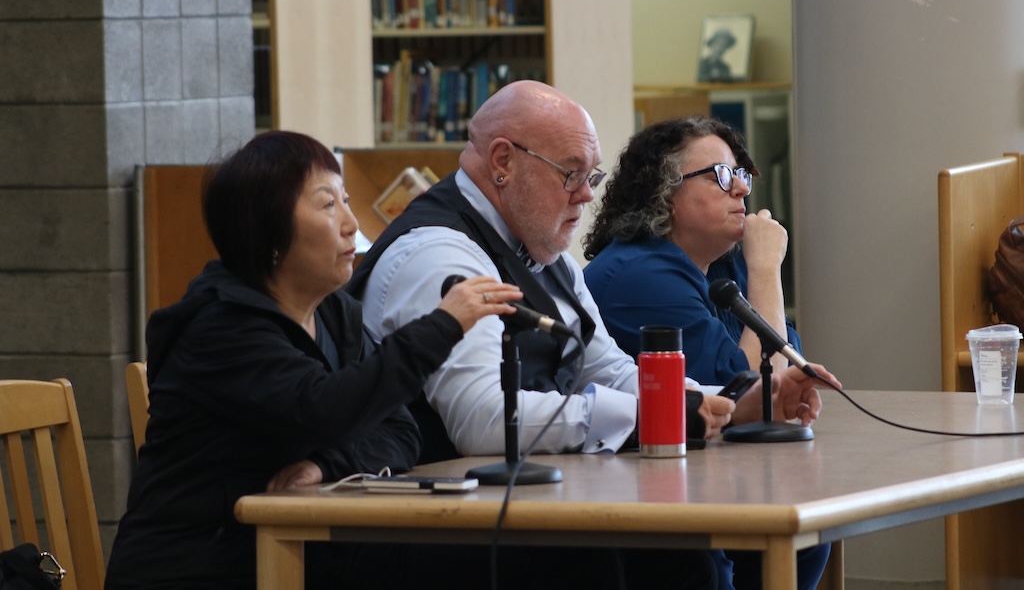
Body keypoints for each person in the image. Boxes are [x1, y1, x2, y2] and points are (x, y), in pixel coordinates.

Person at [347, 81, 839, 588]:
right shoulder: (438, 256)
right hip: (432, 523)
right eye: (571, 174)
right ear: (502, 161)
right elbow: (484, 417)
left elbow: (608, 368)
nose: (587, 193)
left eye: (592, 175)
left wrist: (736, 401)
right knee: (669, 558)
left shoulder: (546, 253)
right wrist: (651, 415)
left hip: (523, 504)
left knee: (692, 553)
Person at [104, 131, 525, 590]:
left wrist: (327, 467)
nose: (350, 223)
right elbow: (322, 409)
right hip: (202, 567)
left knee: (510, 557)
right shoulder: (220, 326)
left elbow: (399, 429)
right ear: (268, 231)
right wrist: (442, 325)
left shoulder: (333, 311)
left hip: (301, 550)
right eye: (328, 205)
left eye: (346, 200)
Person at [582, 116, 831, 590]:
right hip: (645, 503)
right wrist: (766, 271)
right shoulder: (638, 274)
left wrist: (753, 272)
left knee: (809, 528)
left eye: (741, 174)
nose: (740, 188)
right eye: (720, 175)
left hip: (706, 482)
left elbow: (790, 375)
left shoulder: (719, 265)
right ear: (665, 192)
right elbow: (763, 396)